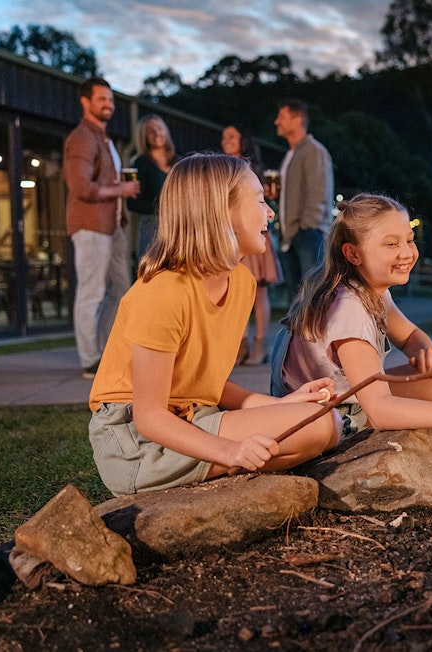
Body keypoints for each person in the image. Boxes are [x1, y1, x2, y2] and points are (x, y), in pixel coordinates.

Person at [88, 153, 340, 497]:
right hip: (136, 437)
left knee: (321, 421)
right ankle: (194, 468)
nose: (269, 213)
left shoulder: (241, 282)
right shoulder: (161, 294)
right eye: (259, 200)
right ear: (220, 212)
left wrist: (283, 404)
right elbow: (149, 415)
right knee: (320, 427)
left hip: (194, 415)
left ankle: (206, 468)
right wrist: (230, 451)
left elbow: (204, 383)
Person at [271, 193, 432, 437]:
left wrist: (424, 352)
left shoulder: (369, 289)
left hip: (348, 396)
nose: (407, 253)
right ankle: (362, 429)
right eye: (391, 244)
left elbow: (410, 335)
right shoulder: (348, 308)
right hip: (318, 414)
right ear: (353, 254)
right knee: (430, 391)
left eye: (409, 240)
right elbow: (379, 409)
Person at [64, 76, 139, 379]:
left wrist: (121, 189)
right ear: (86, 102)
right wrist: (120, 191)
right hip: (92, 226)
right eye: (102, 99)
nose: (108, 104)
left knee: (122, 291)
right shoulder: (82, 138)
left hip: (114, 227)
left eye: (111, 99)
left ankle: (110, 350)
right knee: (92, 292)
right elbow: (81, 187)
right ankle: (89, 360)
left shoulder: (105, 139)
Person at [221, 124, 283, 365]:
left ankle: (259, 343)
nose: (226, 140)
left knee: (257, 289)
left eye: (232, 136)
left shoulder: (254, 170)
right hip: (230, 233)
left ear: (243, 141)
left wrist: (269, 196)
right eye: (224, 136)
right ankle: (240, 342)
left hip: (254, 232)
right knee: (233, 288)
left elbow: (264, 205)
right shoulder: (220, 171)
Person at [271, 98, 333, 301]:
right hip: (291, 235)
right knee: (296, 300)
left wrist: (306, 227)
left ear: (297, 120)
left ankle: (317, 334)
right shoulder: (292, 153)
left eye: (281, 117)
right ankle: (297, 335)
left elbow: (318, 192)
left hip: (307, 234)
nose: (276, 122)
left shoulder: (313, 150)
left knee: (312, 297)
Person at [127, 114, 176, 259]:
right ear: (144, 137)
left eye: (159, 128)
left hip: (178, 227)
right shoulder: (138, 163)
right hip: (152, 228)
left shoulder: (179, 162)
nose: (157, 133)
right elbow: (132, 203)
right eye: (150, 131)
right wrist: (162, 209)